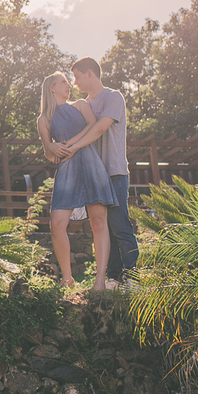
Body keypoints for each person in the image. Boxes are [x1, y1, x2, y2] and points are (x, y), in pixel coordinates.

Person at [57, 58, 140, 287]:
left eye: (77, 76)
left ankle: (133, 276)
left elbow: (100, 128)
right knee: (103, 227)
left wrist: (73, 148)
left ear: (90, 74)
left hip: (114, 172)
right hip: (93, 176)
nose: (74, 82)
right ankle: (113, 277)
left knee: (119, 224)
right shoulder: (83, 105)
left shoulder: (113, 97)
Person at [37, 71, 116, 289]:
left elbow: (93, 127)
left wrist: (69, 143)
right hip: (67, 169)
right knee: (57, 225)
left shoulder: (81, 105)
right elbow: (49, 154)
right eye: (63, 82)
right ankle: (67, 278)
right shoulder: (43, 120)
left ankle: (99, 280)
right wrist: (51, 147)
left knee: (98, 222)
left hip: (90, 163)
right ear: (52, 87)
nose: (69, 85)